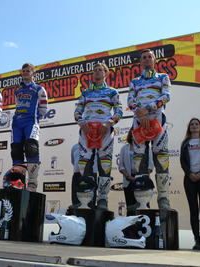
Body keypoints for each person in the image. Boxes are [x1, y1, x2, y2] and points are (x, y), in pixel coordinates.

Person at [127, 49, 171, 212]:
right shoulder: (135, 81)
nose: (146, 59)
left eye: (149, 57)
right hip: (139, 121)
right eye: (143, 58)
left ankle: (163, 197)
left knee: (161, 156)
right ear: (140, 62)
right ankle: (142, 200)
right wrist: (140, 112)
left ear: (154, 60)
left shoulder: (162, 77)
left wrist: (148, 108)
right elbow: (130, 100)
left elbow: (166, 96)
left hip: (158, 119)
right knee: (139, 158)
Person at [74, 62, 123, 209]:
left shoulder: (112, 92)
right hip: (87, 130)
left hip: (104, 131)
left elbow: (119, 112)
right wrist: (81, 122)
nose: (97, 72)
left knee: (105, 164)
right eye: (95, 70)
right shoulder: (85, 93)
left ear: (105, 73)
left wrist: (109, 123)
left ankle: (103, 199)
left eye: (100, 70)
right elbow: (77, 111)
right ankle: (86, 199)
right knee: (84, 163)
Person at [11, 63, 48, 192]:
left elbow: (43, 107)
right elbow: (17, 105)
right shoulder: (18, 90)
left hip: (30, 122)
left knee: (31, 149)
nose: (26, 72)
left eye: (28, 71)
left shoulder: (39, 89)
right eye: (24, 71)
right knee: (16, 151)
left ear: (33, 73)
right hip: (17, 123)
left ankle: (32, 183)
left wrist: (36, 119)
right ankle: (18, 182)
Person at [180, 118, 200, 250]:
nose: (194, 126)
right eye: (192, 124)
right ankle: (196, 240)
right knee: (193, 210)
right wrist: (190, 173)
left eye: (196, 124)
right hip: (189, 179)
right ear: (189, 128)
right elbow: (182, 161)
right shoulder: (185, 143)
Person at [118, 129, 153, 215]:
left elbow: (150, 165)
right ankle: (131, 226)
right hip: (128, 180)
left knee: (143, 206)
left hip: (142, 180)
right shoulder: (124, 148)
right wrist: (128, 176)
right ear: (130, 134)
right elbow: (121, 166)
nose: (135, 134)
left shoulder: (145, 147)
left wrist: (143, 178)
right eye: (133, 132)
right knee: (130, 207)